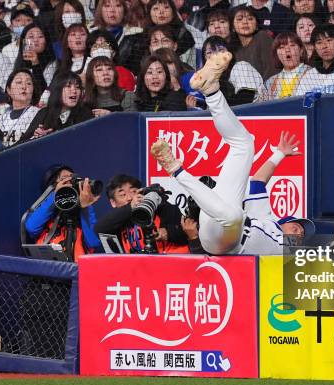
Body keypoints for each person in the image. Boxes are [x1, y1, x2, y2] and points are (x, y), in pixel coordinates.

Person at [151, 49, 315, 255]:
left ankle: (176, 169)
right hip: (218, 219)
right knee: (244, 143)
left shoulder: (288, 252)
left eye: (302, 234)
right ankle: (210, 91)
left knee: (234, 216)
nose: (299, 233)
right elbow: (257, 182)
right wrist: (279, 154)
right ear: (285, 221)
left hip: (225, 244)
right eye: (298, 227)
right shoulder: (266, 217)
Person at [94, 174, 191, 253]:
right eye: (122, 195)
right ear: (113, 202)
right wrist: (131, 207)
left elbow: (187, 233)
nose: (130, 197)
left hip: (170, 266)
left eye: (134, 191)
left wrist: (168, 232)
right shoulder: (116, 221)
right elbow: (99, 229)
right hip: (137, 270)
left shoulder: (160, 207)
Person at [23, 164, 102, 262]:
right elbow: (31, 227)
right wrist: (55, 196)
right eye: (64, 179)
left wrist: (86, 207)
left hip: (75, 274)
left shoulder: (83, 212)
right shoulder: (48, 212)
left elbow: (93, 242)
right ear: (53, 186)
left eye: (72, 178)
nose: (70, 181)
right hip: (47, 272)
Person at [22, 72, 94, 141]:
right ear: (57, 90)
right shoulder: (44, 113)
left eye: (78, 87)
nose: (74, 91)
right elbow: (22, 142)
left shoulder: (85, 114)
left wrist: (49, 137)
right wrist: (35, 137)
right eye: (68, 86)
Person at [258, 32, 319, 100]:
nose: (287, 50)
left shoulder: (314, 75)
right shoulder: (270, 82)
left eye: (292, 45)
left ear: (301, 51)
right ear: (277, 55)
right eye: (282, 47)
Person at [123, 55, 188, 111]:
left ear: (166, 76)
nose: (155, 77)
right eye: (150, 72)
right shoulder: (136, 102)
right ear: (143, 78)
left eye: (159, 72)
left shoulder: (175, 99)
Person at [231, 5, 278, 80]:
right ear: (233, 27)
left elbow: (272, 70)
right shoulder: (235, 50)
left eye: (250, 19)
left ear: (256, 26)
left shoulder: (262, 37)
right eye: (240, 19)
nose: (245, 22)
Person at [0, 69, 41, 147]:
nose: (24, 87)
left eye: (29, 83)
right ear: (9, 90)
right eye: (19, 82)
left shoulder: (39, 114)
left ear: (33, 90)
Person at [14, 23, 59, 92]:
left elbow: (44, 91)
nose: (35, 40)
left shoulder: (54, 64)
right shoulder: (19, 63)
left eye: (40, 36)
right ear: (23, 41)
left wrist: (35, 63)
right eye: (31, 37)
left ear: (46, 41)